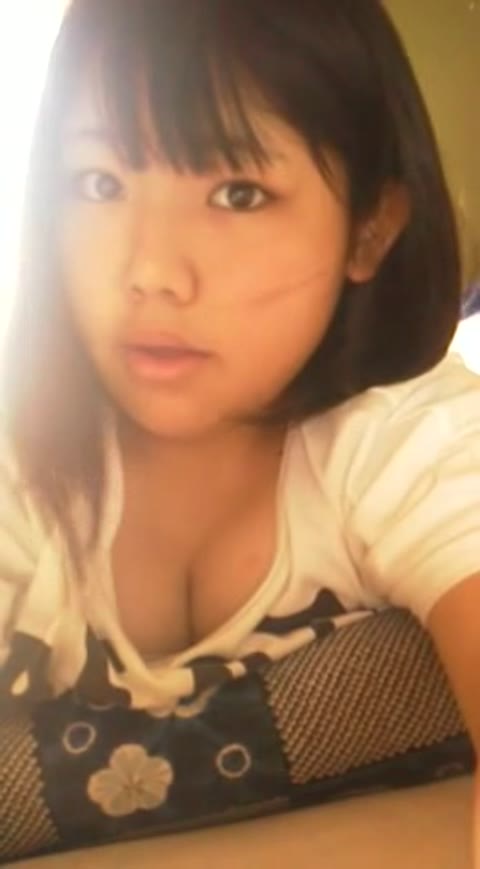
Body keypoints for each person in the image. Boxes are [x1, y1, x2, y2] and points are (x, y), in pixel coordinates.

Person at [0, 0, 479, 813]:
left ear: (369, 230)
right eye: (100, 183)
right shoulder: (21, 465)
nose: (151, 271)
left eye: (238, 193)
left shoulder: (408, 438)